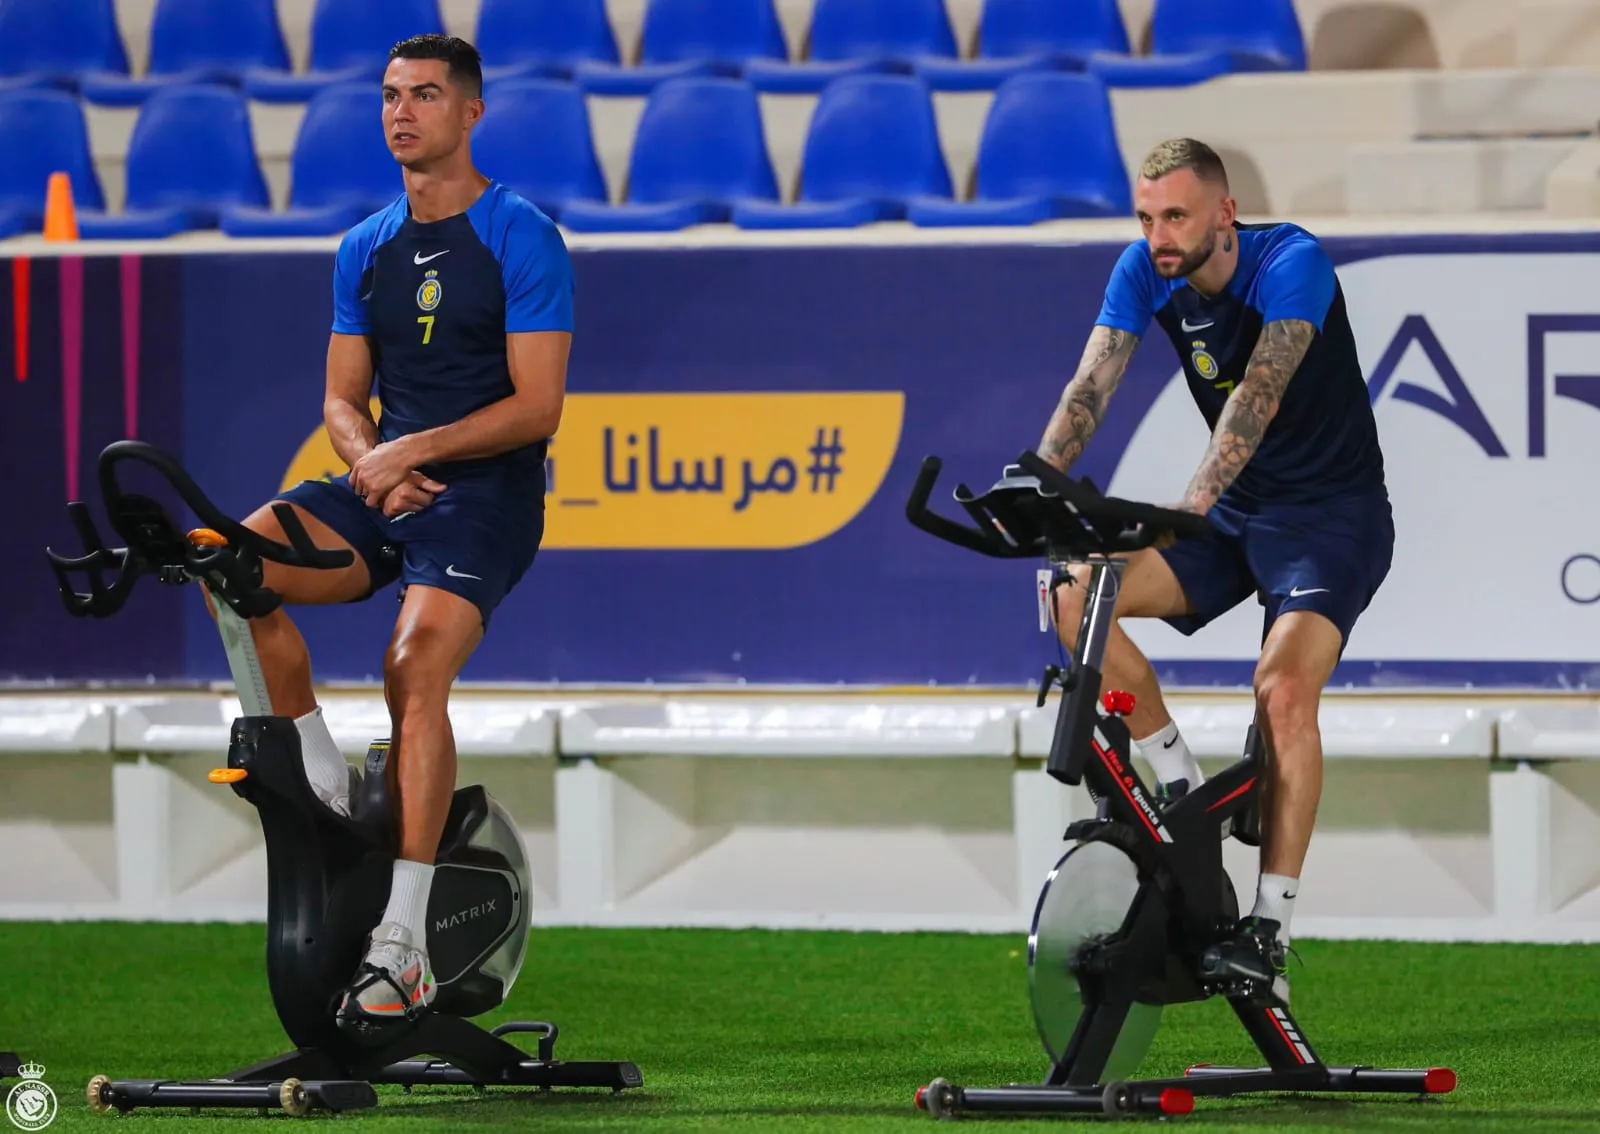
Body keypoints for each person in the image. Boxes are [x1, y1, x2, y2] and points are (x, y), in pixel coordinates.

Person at [226, 34, 574, 1040]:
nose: (401, 112)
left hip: (487, 498)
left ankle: (407, 947)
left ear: (470, 112)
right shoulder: (364, 244)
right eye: (389, 95)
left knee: (414, 667)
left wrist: (407, 450)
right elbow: (340, 399)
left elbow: (538, 405)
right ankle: (324, 773)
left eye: (424, 94)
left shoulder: (523, 236)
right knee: (232, 559)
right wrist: (373, 459)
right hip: (384, 484)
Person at [1035, 138, 1392, 999]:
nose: (1159, 235)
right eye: (1147, 217)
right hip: (1236, 517)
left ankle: (1269, 931)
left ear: (1225, 213)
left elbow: (1254, 400)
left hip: (1329, 524)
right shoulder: (1144, 268)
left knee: (1281, 690)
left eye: (1177, 217)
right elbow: (1092, 387)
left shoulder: (1292, 262)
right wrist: (1038, 483)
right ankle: (1183, 789)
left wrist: (1187, 509)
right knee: (1071, 586)